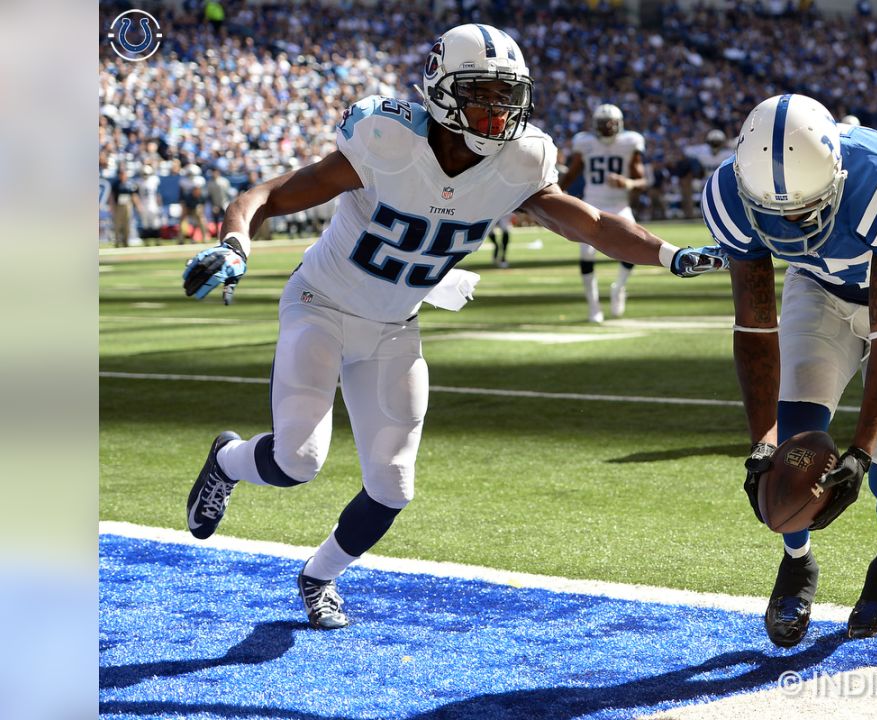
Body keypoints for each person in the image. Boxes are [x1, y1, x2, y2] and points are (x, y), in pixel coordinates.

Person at [180, 23, 724, 631]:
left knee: (392, 487)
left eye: (506, 95)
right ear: (440, 89)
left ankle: (320, 576)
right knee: (297, 461)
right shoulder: (386, 138)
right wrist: (234, 245)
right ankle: (228, 461)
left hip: (395, 326)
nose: (498, 110)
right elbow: (270, 195)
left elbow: (592, 224)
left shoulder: (521, 161)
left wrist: (667, 254)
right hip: (321, 305)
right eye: (482, 93)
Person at [700, 93, 877, 647]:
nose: (791, 223)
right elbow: (754, 328)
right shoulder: (728, 194)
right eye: (775, 213)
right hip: (817, 288)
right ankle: (796, 561)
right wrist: (762, 442)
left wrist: (863, 451)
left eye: (802, 209)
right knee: (792, 444)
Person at [558, 104, 648, 320]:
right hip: (592, 204)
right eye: (603, 124)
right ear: (594, 125)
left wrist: (626, 183)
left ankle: (619, 287)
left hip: (619, 206)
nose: (607, 128)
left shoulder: (630, 142)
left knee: (634, 247)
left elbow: (642, 182)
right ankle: (593, 306)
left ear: (620, 124)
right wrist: (558, 193)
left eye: (611, 123)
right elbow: (572, 173)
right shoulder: (585, 142)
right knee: (586, 254)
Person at [678, 129, 733, 219]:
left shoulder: (728, 154)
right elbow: (686, 151)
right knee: (693, 183)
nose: (715, 145)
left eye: (717, 142)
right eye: (713, 142)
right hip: (707, 181)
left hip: (722, 181)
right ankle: (691, 214)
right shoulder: (703, 152)